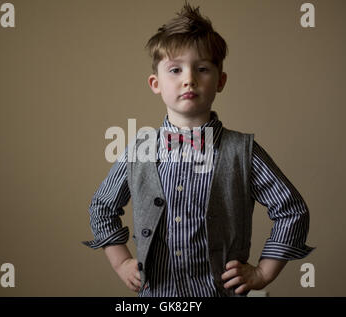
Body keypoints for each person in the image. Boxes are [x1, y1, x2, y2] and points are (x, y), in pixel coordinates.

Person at [83, 2, 314, 297]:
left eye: (202, 68)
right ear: (156, 83)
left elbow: (291, 210)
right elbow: (102, 207)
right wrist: (122, 263)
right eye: (175, 69)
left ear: (220, 81)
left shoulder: (242, 152)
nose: (189, 78)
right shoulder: (137, 151)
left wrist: (263, 273)